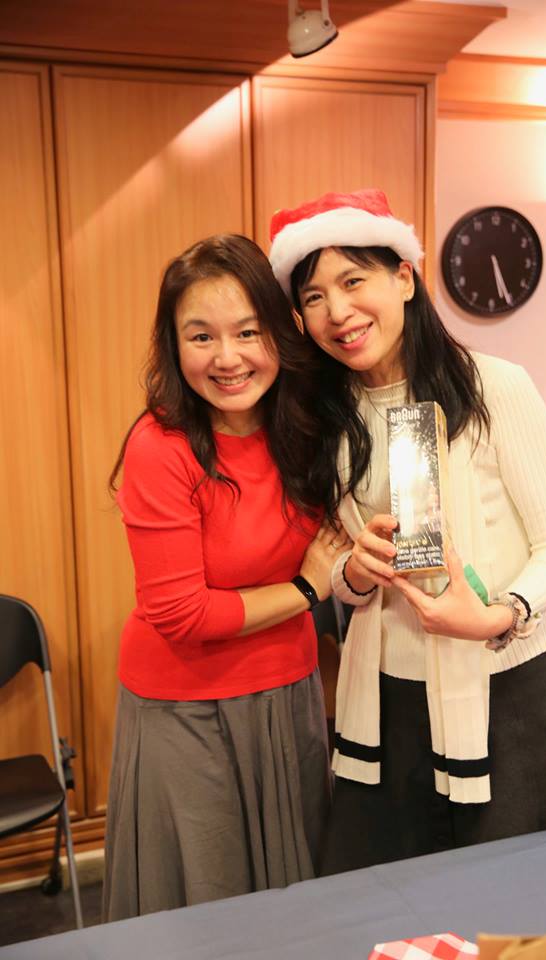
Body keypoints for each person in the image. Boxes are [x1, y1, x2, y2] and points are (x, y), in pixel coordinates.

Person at [268, 188, 546, 875]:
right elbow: (342, 571)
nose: (337, 312)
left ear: (404, 278)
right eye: (314, 297)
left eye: (353, 281)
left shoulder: (494, 387)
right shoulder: (325, 418)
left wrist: (499, 615)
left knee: (513, 901)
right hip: (386, 698)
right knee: (394, 905)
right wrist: (355, 574)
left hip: (505, 688)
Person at [102, 234, 349, 919]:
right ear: (174, 345)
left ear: (279, 332)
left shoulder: (306, 424)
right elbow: (181, 614)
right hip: (187, 709)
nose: (228, 357)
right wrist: (305, 590)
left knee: (296, 908)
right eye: (201, 336)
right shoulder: (161, 446)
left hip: (290, 694)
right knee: (208, 912)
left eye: (247, 331)